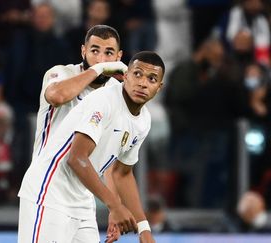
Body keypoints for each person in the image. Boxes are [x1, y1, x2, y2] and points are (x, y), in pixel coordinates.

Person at [18, 51, 164, 243]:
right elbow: (77, 159)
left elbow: (122, 173)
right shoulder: (105, 100)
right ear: (126, 76)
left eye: (151, 79)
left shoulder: (143, 120)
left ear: (159, 87)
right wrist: (114, 205)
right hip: (49, 193)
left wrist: (144, 228)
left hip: (82, 200)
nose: (143, 83)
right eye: (137, 74)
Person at [31, 24, 126, 163]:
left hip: (85, 180)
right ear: (83, 51)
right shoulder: (61, 73)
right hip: (46, 178)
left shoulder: (118, 91)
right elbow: (57, 97)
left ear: (119, 56)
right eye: (94, 51)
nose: (101, 60)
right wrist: (99, 69)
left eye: (109, 53)